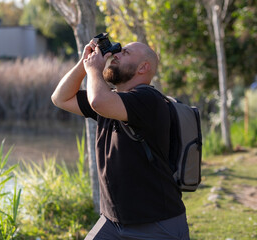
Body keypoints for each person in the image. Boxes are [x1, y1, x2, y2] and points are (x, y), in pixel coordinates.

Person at [51, 39, 190, 240]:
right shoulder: (113, 99)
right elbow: (60, 98)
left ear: (144, 67)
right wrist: (84, 63)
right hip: (112, 222)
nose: (115, 55)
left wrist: (94, 71)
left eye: (125, 53)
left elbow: (99, 101)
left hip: (157, 224)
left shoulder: (149, 100)